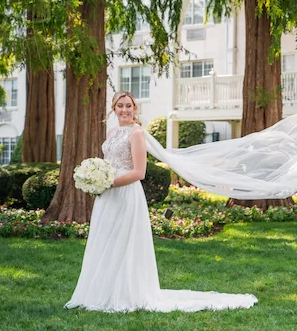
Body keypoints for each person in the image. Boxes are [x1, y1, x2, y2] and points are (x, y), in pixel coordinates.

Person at [64, 91, 258, 312]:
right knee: (107, 239)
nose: (124, 110)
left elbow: (139, 172)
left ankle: (126, 293)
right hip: (108, 197)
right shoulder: (111, 132)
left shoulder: (137, 133)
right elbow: (109, 163)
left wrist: (109, 183)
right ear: (113, 108)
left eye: (129, 106)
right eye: (120, 106)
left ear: (135, 109)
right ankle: (101, 291)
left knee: (125, 242)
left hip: (126, 193)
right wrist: (97, 179)